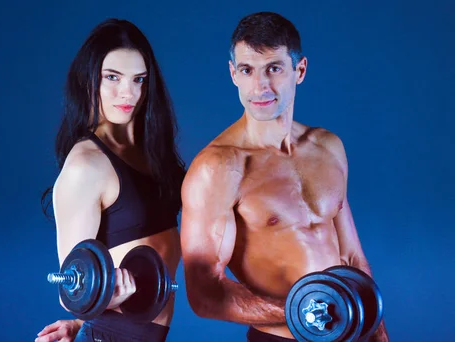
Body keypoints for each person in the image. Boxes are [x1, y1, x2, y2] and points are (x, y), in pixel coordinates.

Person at [180, 12, 389, 342]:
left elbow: (352, 260)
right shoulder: (218, 168)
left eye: (273, 68)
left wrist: (376, 332)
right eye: (247, 71)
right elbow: (204, 294)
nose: (260, 86)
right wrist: (311, 311)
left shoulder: (328, 147)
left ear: (300, 70)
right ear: (233, 74)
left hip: (353, 333)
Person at [35, 18, 186, 342]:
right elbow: (71, 287)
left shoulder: (153, 154)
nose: (127, 92)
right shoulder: (86, 166)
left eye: (138, 79)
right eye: (112, 77)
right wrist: (104, 299)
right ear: (89, 81)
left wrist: (77, 326)